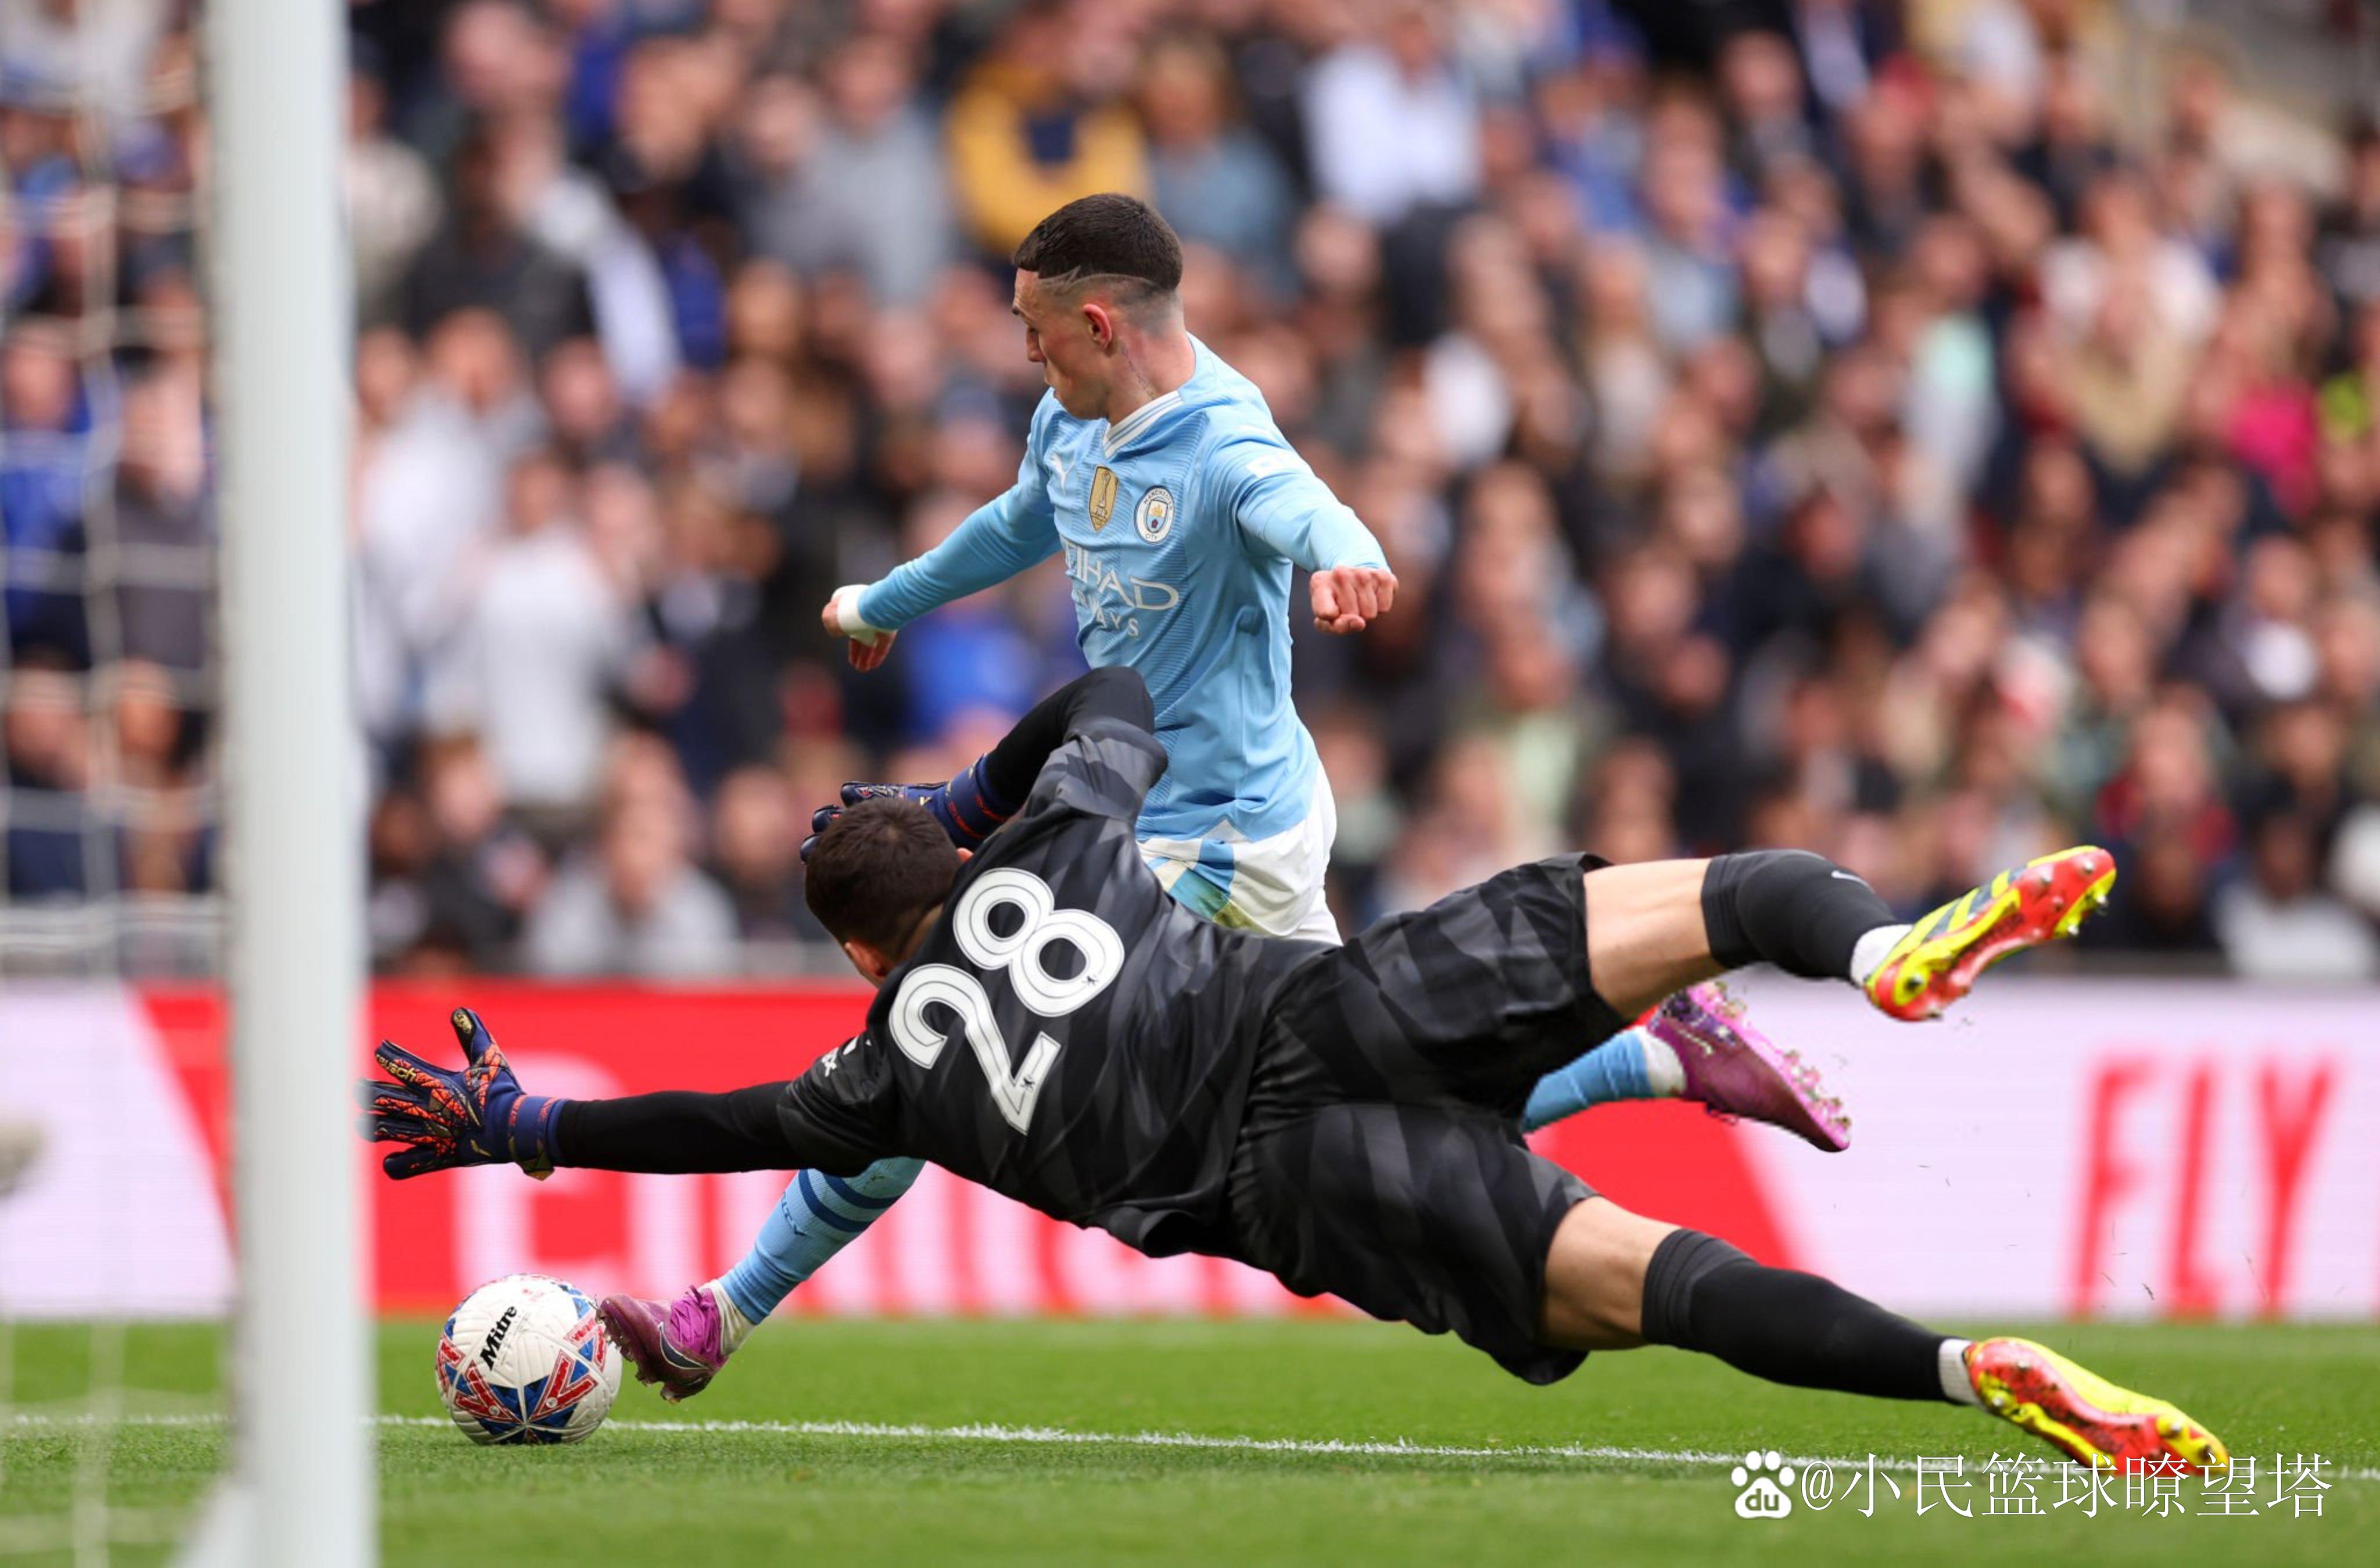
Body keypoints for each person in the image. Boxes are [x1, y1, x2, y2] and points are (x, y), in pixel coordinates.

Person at [358, 668, 2221, 1476]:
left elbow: (717, 1124)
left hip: (1296, 1190)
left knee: (1661, 1289)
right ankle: (1883, 951)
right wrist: (972, 795)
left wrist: (528, 1127)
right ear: (948, 864)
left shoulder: (883, 1073)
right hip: (1337, 1011)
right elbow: (1111, 709)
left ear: (861, 954)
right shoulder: (1060, 845)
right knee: (1718, 892)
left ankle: (1968, 1375)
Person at [658, 195, 1848, 1383]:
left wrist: (1346, 556)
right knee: (1393, 1100)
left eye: (1033, 330)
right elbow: (1024, 519)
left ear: (1095, 321)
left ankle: (726, 1306)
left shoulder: (1224, 439)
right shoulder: (1069, 421)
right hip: (1159, 814)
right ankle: (1657, 1055)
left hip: (1231, 829)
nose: (1024, 352)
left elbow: (1301, 503)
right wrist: (889, 600)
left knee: (948, 1015)